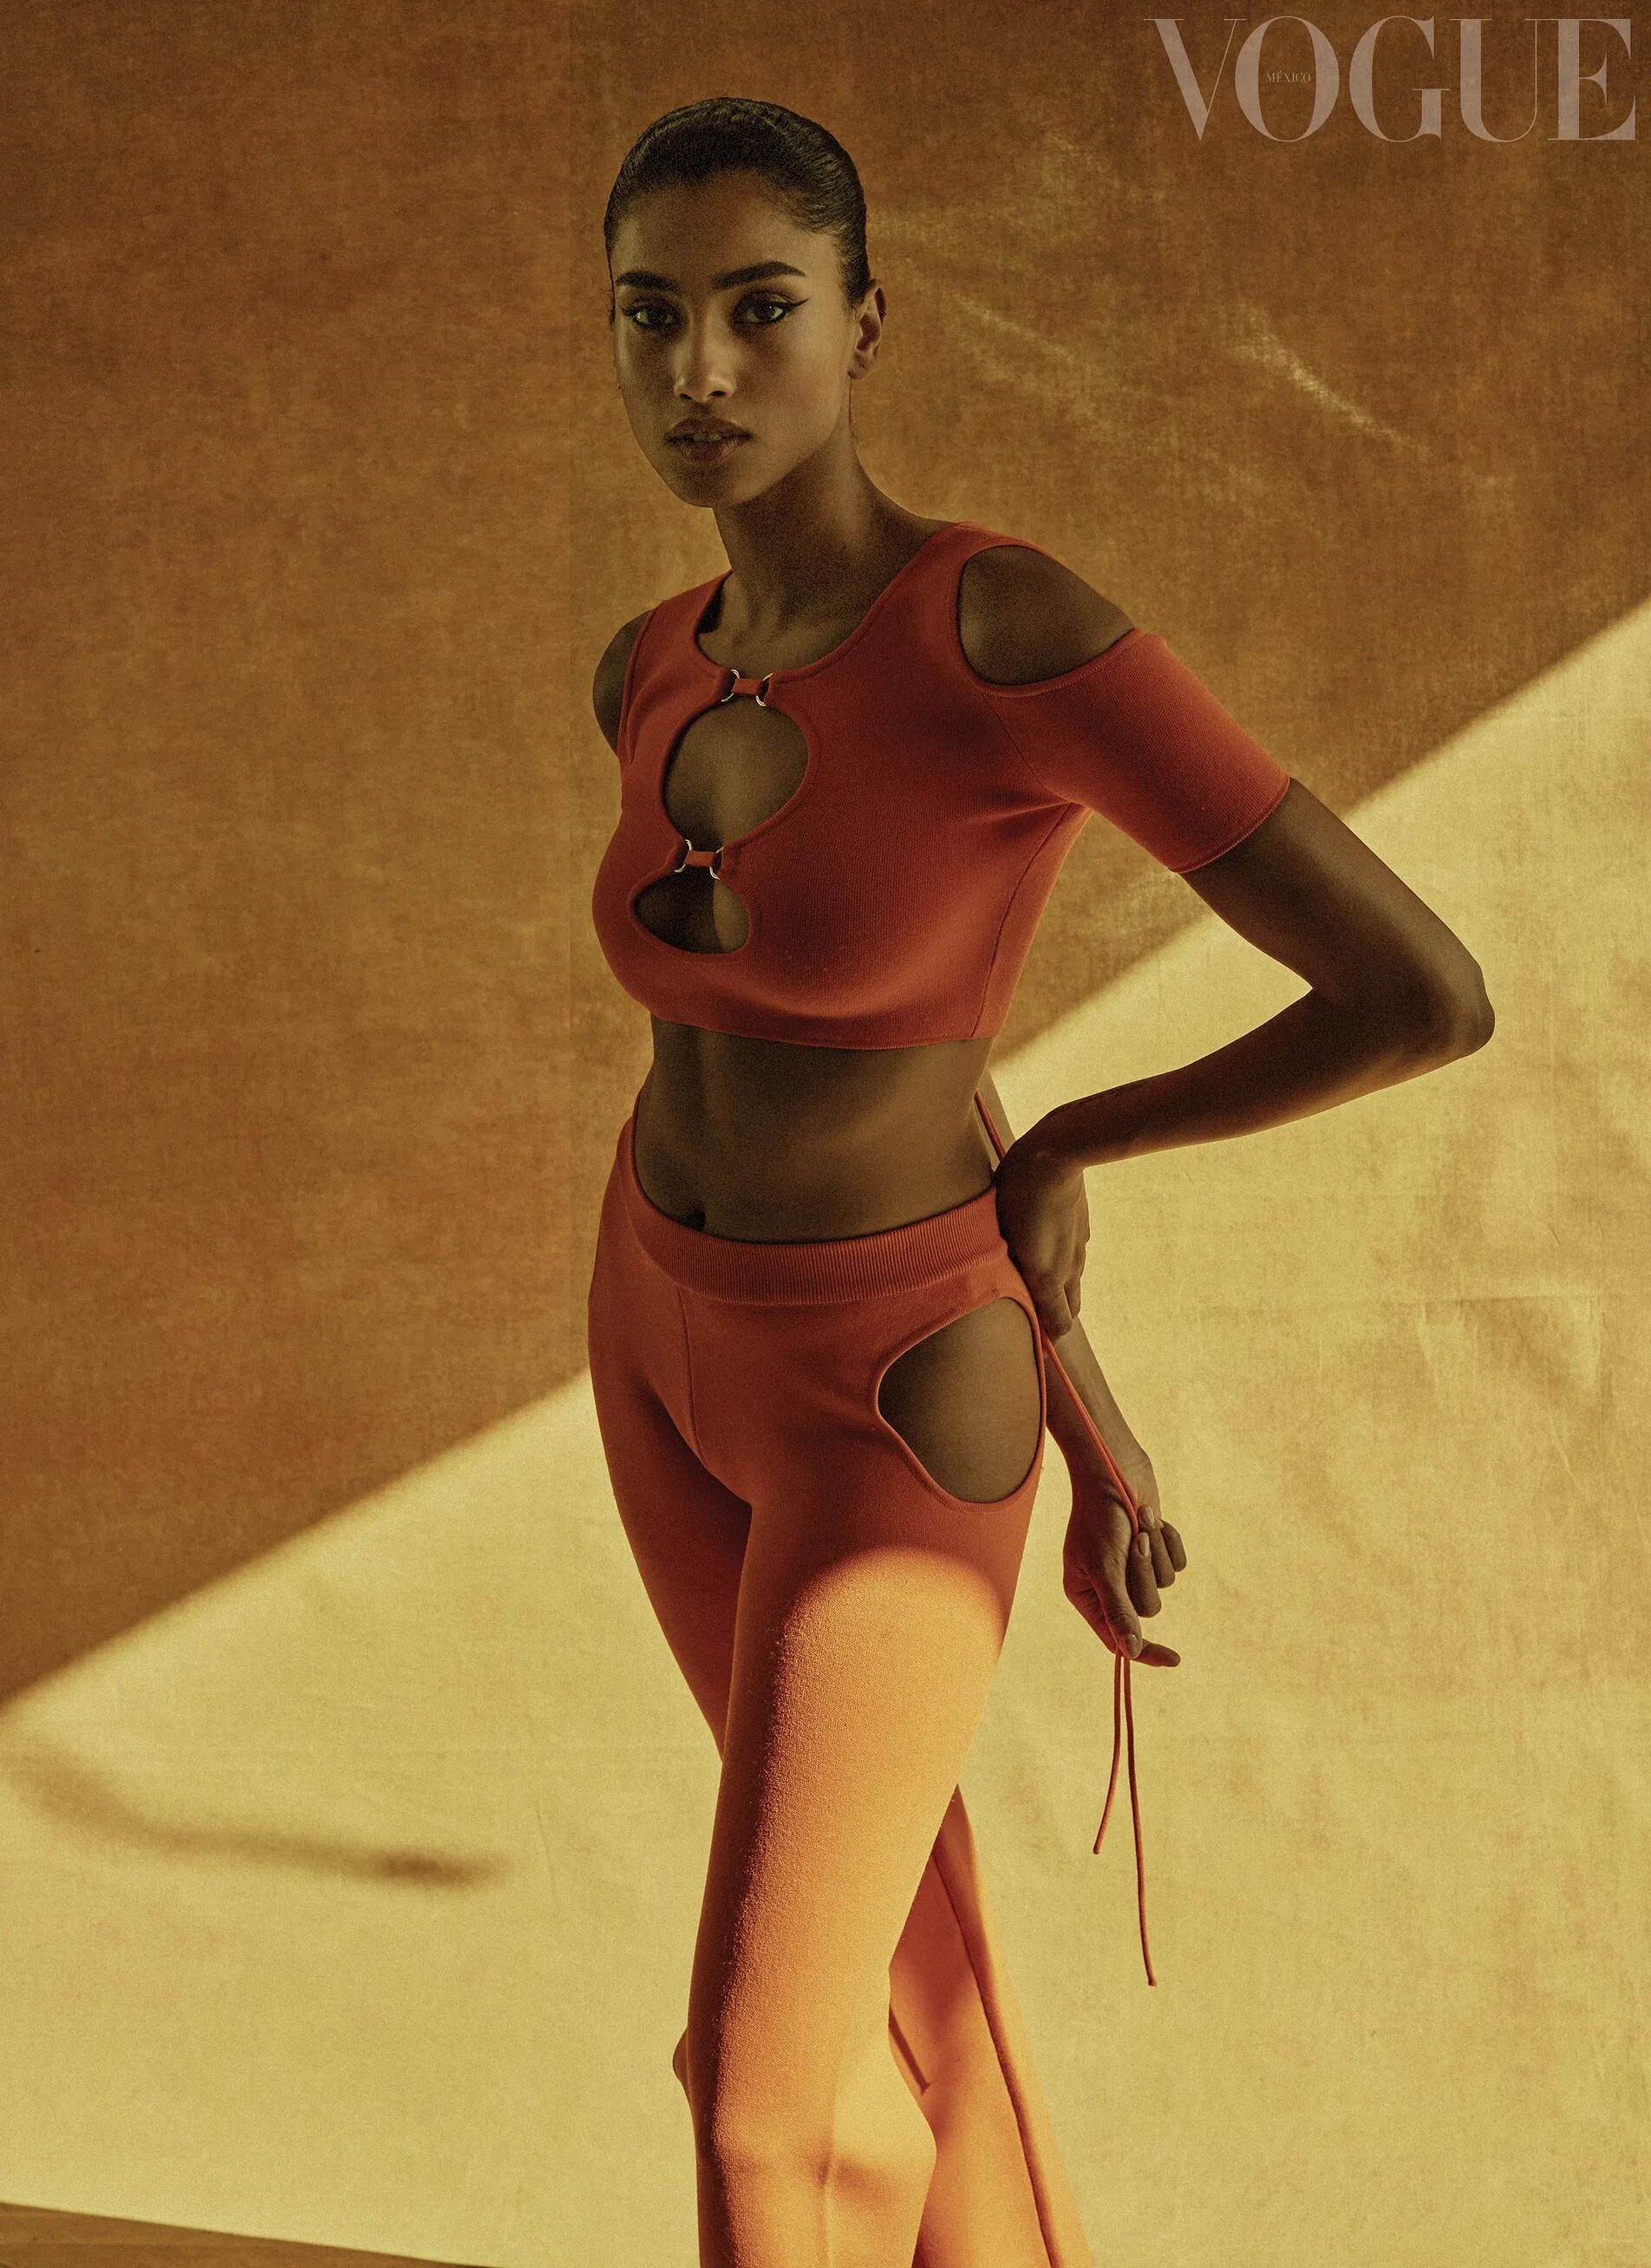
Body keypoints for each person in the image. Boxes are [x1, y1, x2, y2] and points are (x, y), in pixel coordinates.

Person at [585, 94, 1493, 2268]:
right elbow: (892, 1057)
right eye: (649, 314)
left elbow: (1420, 994)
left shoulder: (1003, 629)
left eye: (761, 308)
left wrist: (1090, 1146)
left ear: (866, 323)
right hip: (652, 1326)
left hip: (888, 1394)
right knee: (908, 1978)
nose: (700, 369)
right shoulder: (646, 667)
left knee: (755, 2105)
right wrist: (1097, 1409)